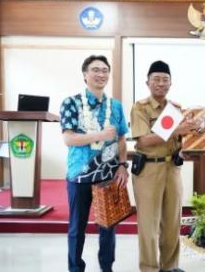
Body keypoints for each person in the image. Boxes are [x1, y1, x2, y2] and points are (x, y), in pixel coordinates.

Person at [60, 55, 129, 272]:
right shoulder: (71, 103)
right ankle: (75, 268)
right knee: (77, 228)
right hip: (79, 174)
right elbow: (69, 139)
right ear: (85, 74)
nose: (101, 74)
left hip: (108, 174)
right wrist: (99, 134)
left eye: (105, 70)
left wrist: (122, 165)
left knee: (108, 226)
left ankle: (106, 267)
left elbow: (120, 139)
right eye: (95, 70)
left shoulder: (116, 106)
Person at [130, 60, 196, 272]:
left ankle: (170, 267)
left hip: (172, 169)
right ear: (147, 82)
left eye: (165, 79)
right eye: (156, 79)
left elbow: (180, 139)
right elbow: (143, 141)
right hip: (148, 170)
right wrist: (176, 131)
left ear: (170, 83)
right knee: (149, 226)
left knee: (172, 223)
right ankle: (149, 268)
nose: (160, 83)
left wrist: (189, 144)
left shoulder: (175, 108)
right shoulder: (140, 107)